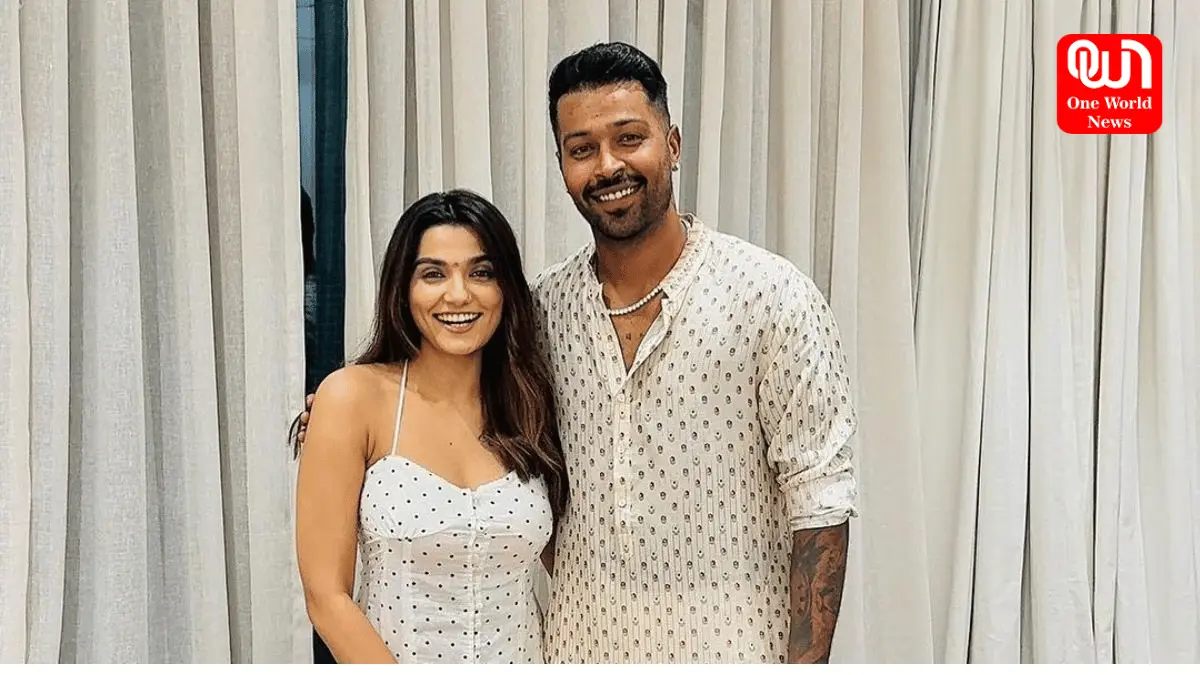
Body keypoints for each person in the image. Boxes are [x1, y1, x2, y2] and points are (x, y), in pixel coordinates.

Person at [299, 41, 857, 664]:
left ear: (673, 144)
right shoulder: (542, 314)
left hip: (732, 651)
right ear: (563, 164)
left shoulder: (772, 297)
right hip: (577, 650)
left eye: (629, 138)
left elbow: (821, 502)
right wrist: (342, 414)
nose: (608, 165)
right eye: (582, 148)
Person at [293, 189, 568, 664]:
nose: (458, 294)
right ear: (403, 287)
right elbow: (326, 597)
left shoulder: (530, 403)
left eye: (481, 272)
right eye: (434, 274)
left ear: (506, 289)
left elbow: (569, 565)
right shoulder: (352, 398)